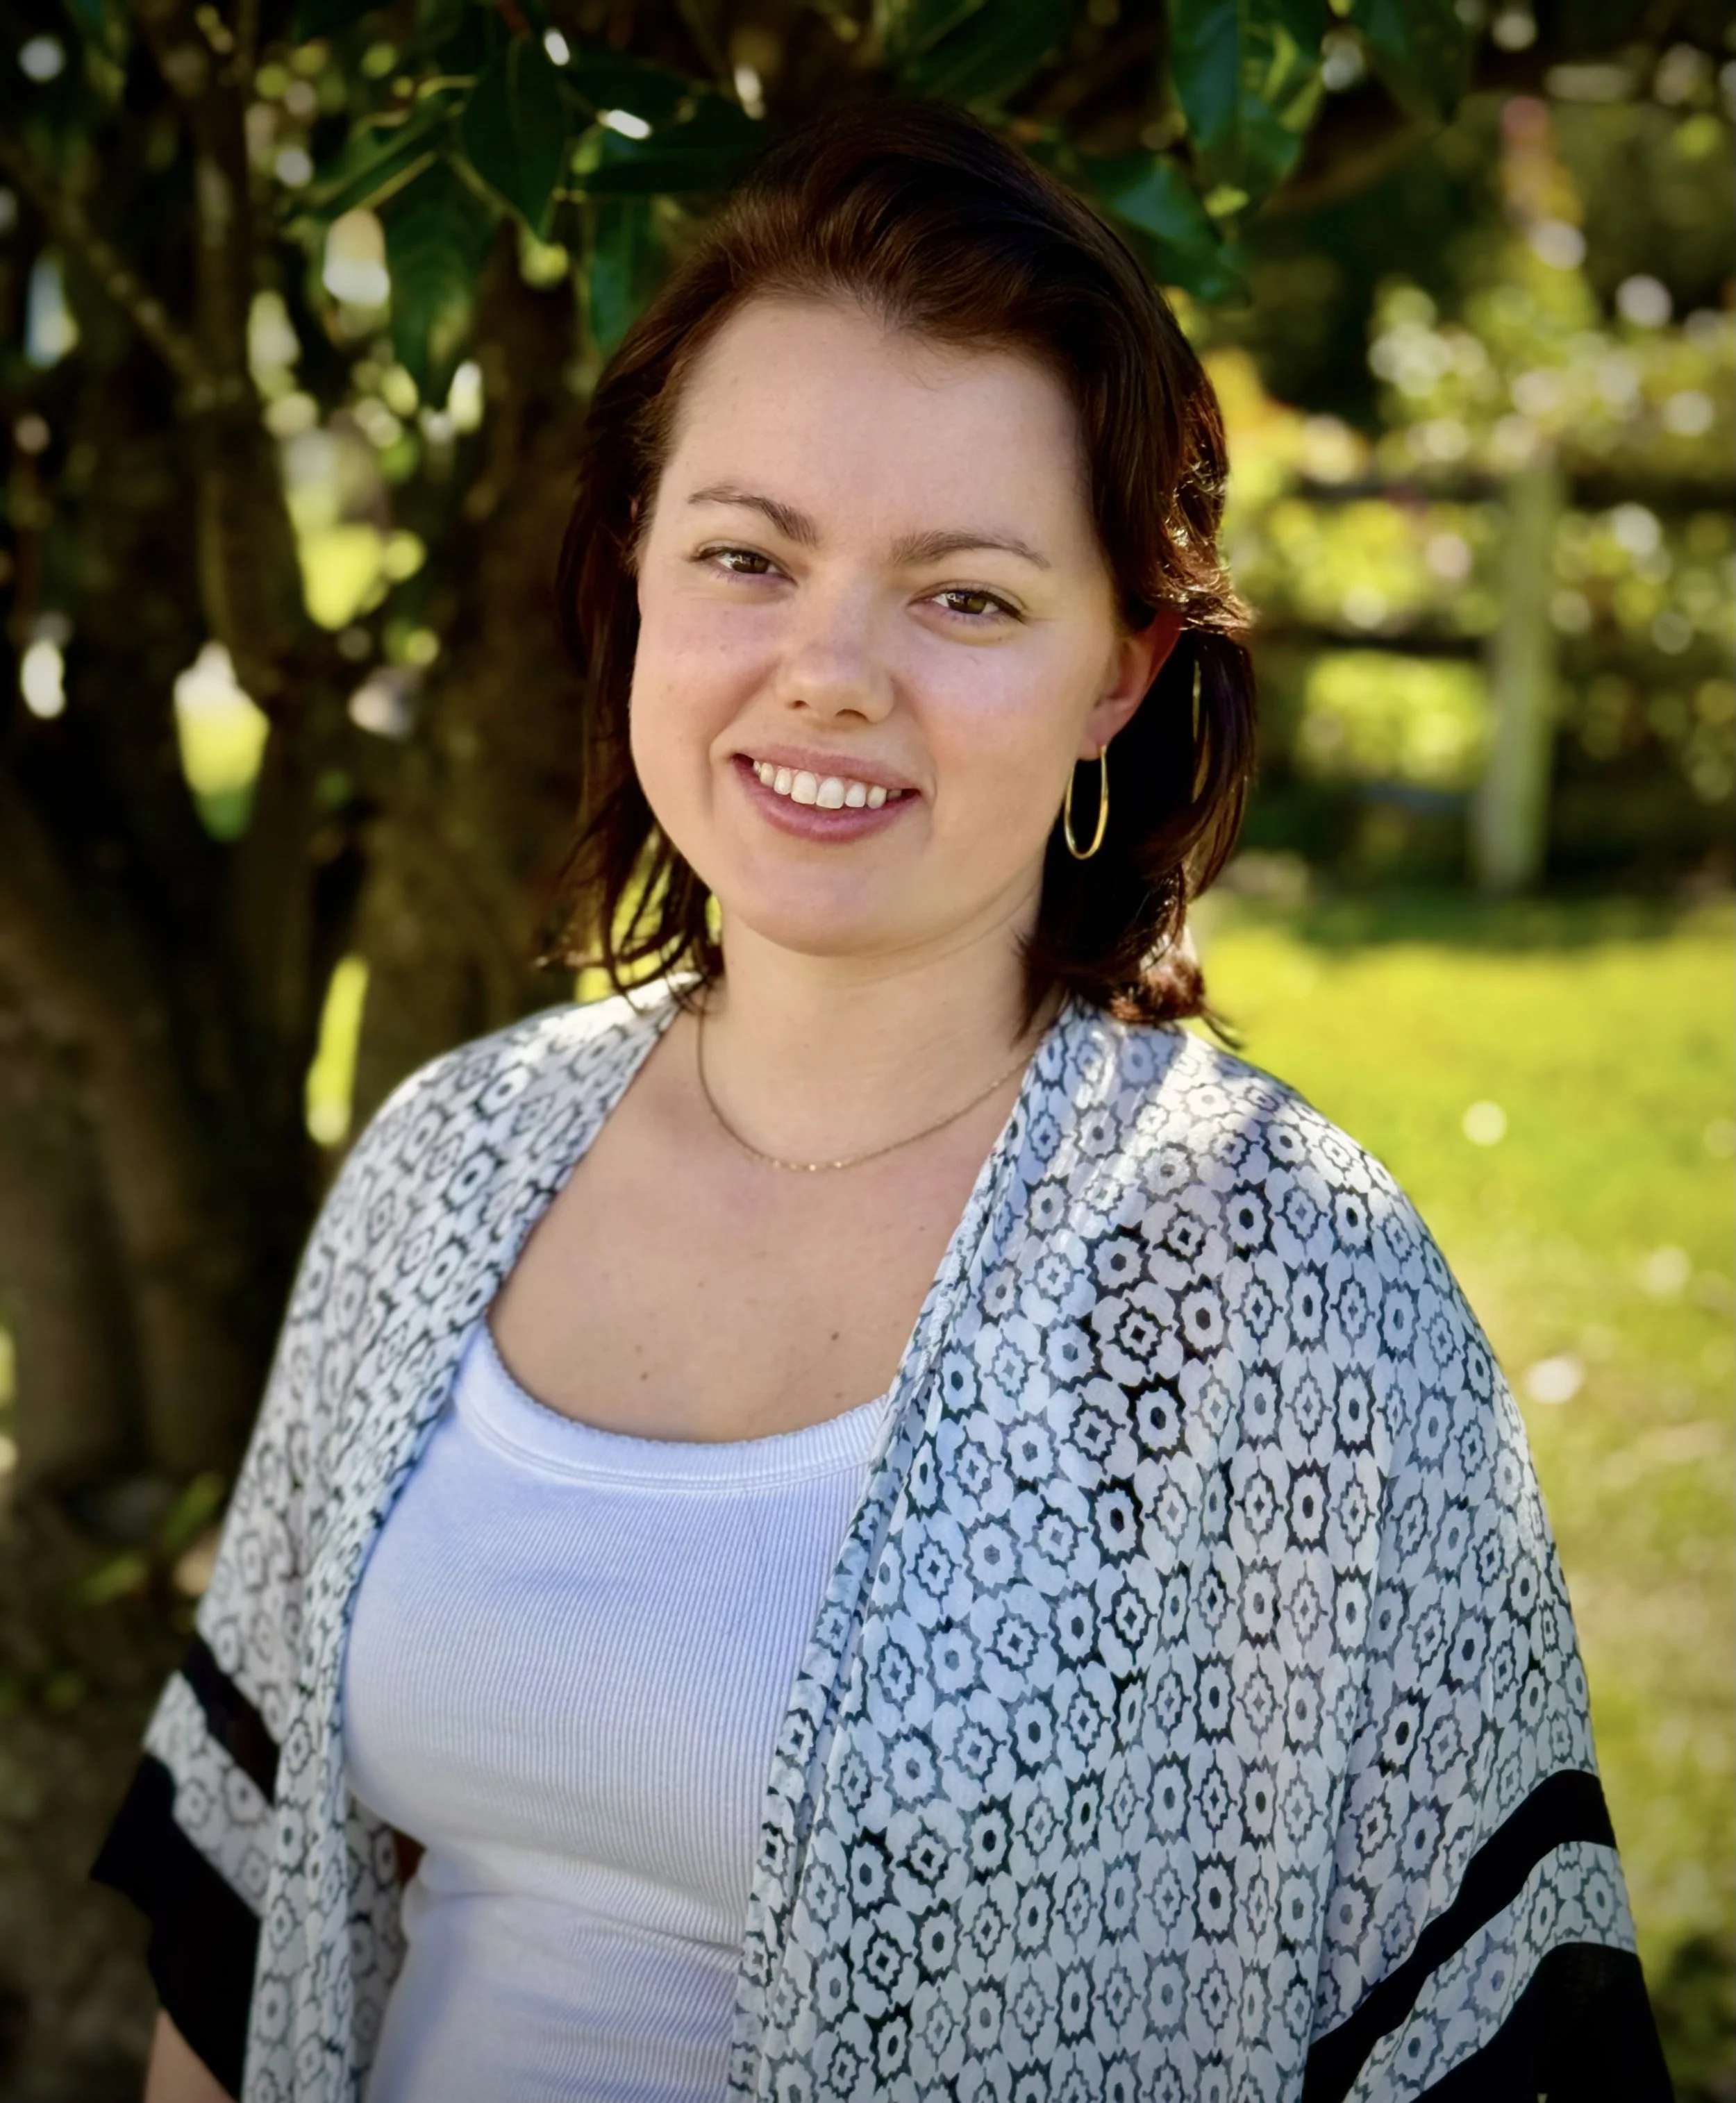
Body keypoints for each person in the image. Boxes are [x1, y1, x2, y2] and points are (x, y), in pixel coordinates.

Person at [97, 100, 1669, 2103]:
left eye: (967, 596)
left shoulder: (1281, 1288)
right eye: (748, 554)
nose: (828, 671)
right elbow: (232, 1950)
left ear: (1122, 668)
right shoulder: (449, 1164)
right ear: (636, 578)